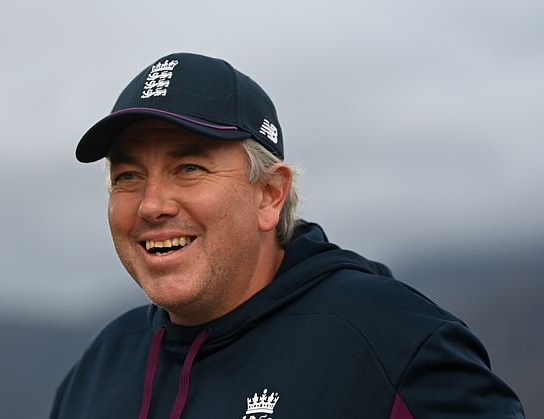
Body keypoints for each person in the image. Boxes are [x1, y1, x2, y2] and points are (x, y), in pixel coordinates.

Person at [50, 52, 525, 419]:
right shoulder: (101, 367)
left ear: (270, 195)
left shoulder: (392, 343)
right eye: (128, 176)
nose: (152, 205)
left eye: (188, 167)